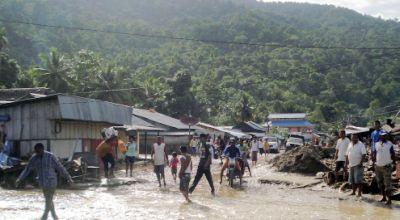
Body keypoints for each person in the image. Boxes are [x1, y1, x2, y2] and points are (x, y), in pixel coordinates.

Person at [16, 143, 73, 220]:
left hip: (52, 181)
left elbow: (60, 167)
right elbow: (27, 169)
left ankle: (44, 216)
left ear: (42, 149)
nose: (37, 153)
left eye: (38, 151)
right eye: (36, 152)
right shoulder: (34, 158)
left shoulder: (50, 156)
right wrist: (20, 179)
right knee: (48, 199)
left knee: (48, 198)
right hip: (42, 182)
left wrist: (68, 178)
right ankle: (55, 216)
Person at [372, 132, 396, 205]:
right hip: (378, 166)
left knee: (387, 184)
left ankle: (389, 200)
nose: (383, 137)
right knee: (380, 183)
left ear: (386, 136)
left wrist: (394, 163)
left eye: (385, 136)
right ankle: (384, 197)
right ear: (380, 136)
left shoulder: (389, 144)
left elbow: (393, 154)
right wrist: (374, 162)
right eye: (382, 136)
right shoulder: (376, 144)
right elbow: (375, 153)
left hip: (387, 166)